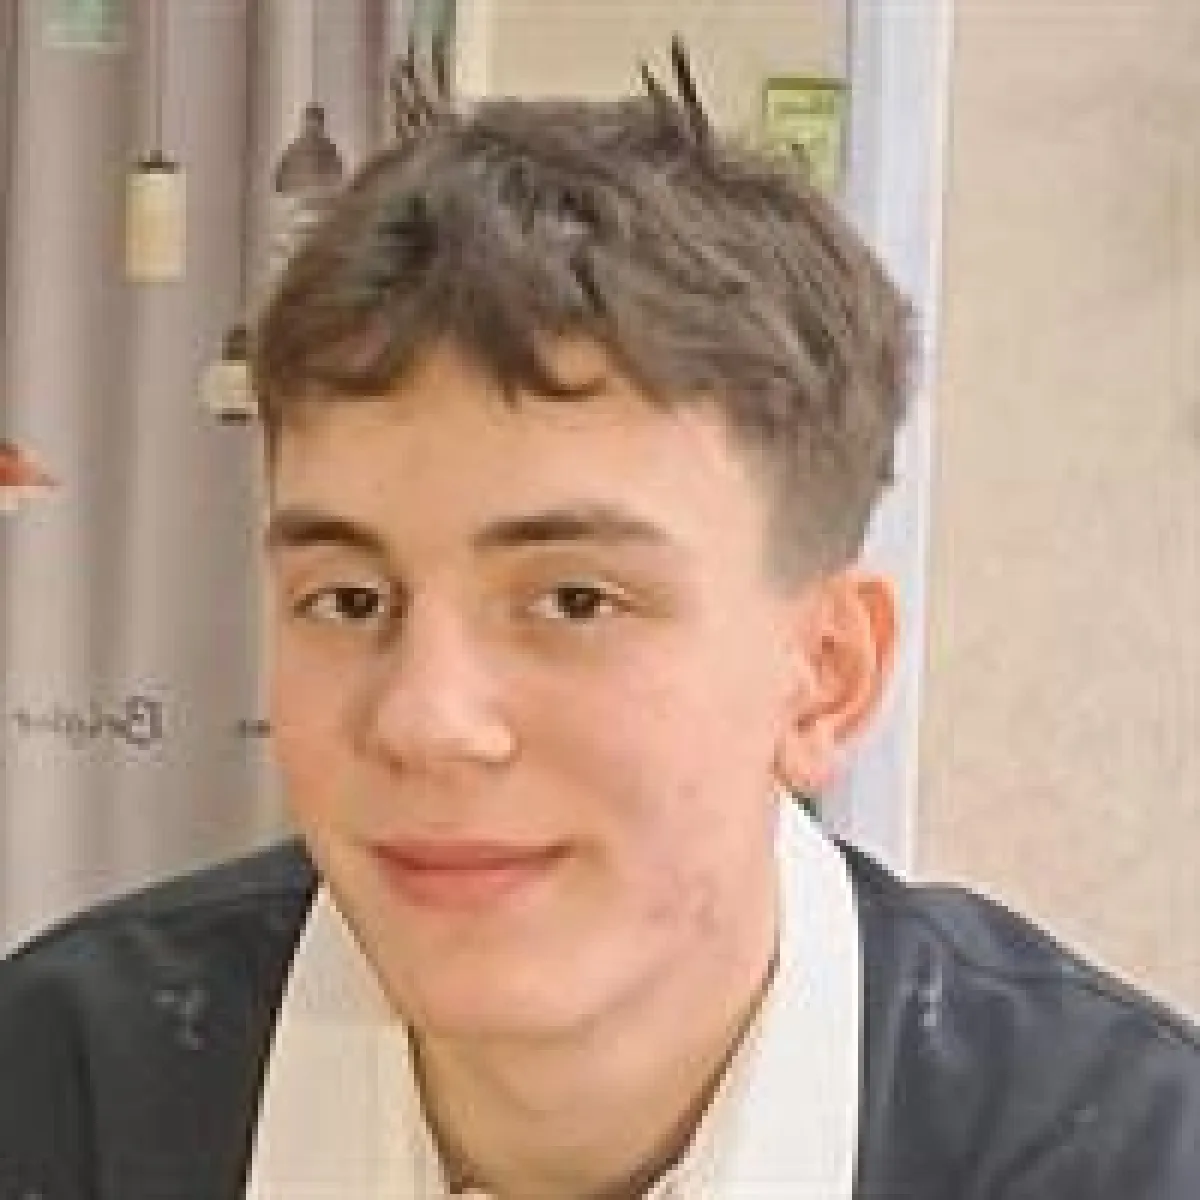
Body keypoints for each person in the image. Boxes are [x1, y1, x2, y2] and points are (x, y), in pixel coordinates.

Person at [2, 44, 1198, 1200]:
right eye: (350, 600)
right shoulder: (61, 1093)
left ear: (825, 675)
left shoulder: (1122, 1157)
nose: (425, 721)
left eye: (575, 600)